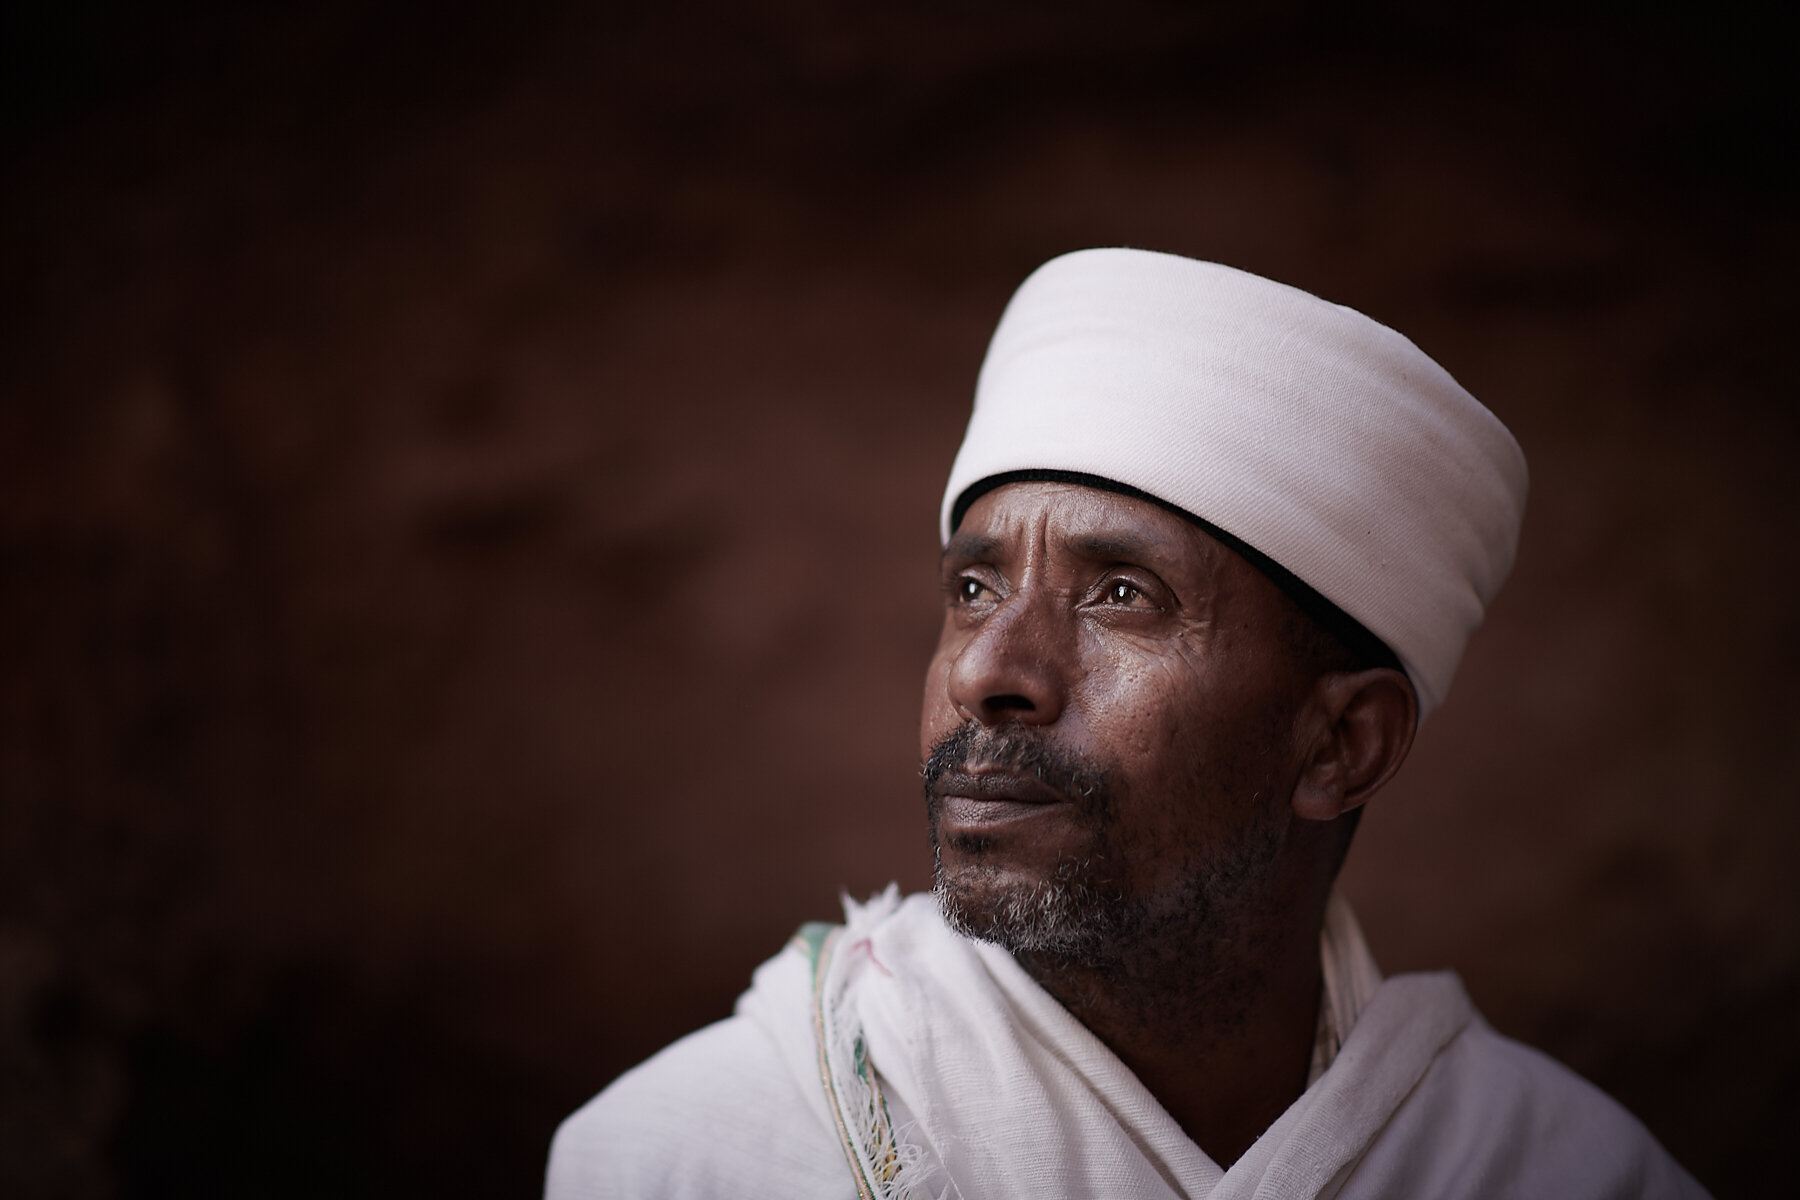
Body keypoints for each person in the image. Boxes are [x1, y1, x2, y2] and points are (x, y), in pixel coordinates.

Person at [545, 249, 1708, 1198]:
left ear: (1343, 744)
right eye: (973, 589)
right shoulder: (684, 1159)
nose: (990, 673)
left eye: (1120, 596)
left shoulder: (1566, 1174)